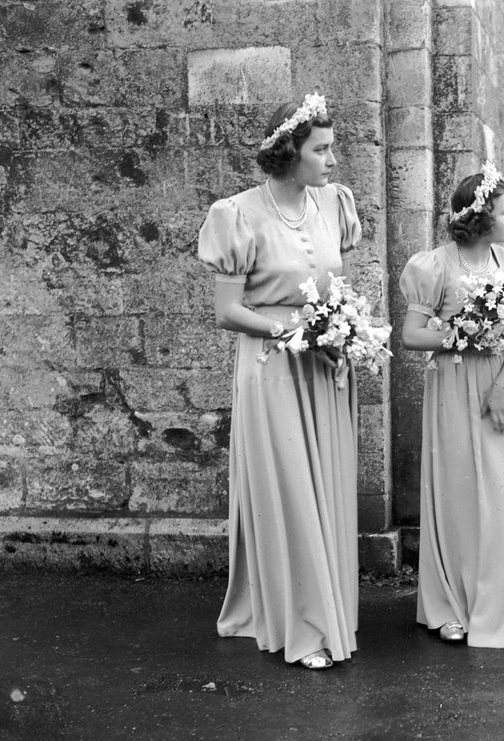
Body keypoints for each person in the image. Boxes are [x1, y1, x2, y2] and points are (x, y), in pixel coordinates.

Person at [197, 93, 362, 669]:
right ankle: (305, 626)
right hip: (271, 366)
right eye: (322, 149)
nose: (332, 159)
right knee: (290, 488)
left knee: (322, 488)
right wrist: (286, 333)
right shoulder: (238, 214)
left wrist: (345, 330)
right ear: (290, 152)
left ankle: (326, 607)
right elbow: (226, 312)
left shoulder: (334, 204)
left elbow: (333, 285)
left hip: (323, 364)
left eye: (332, 147)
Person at [399, 162, 504, 648]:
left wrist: (503, 387)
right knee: (459, 495)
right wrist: (459, 334)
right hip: (452, 386)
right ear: (482, 217)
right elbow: (411, 336)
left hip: (496, 388)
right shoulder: (435, 266)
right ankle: (449, 605)